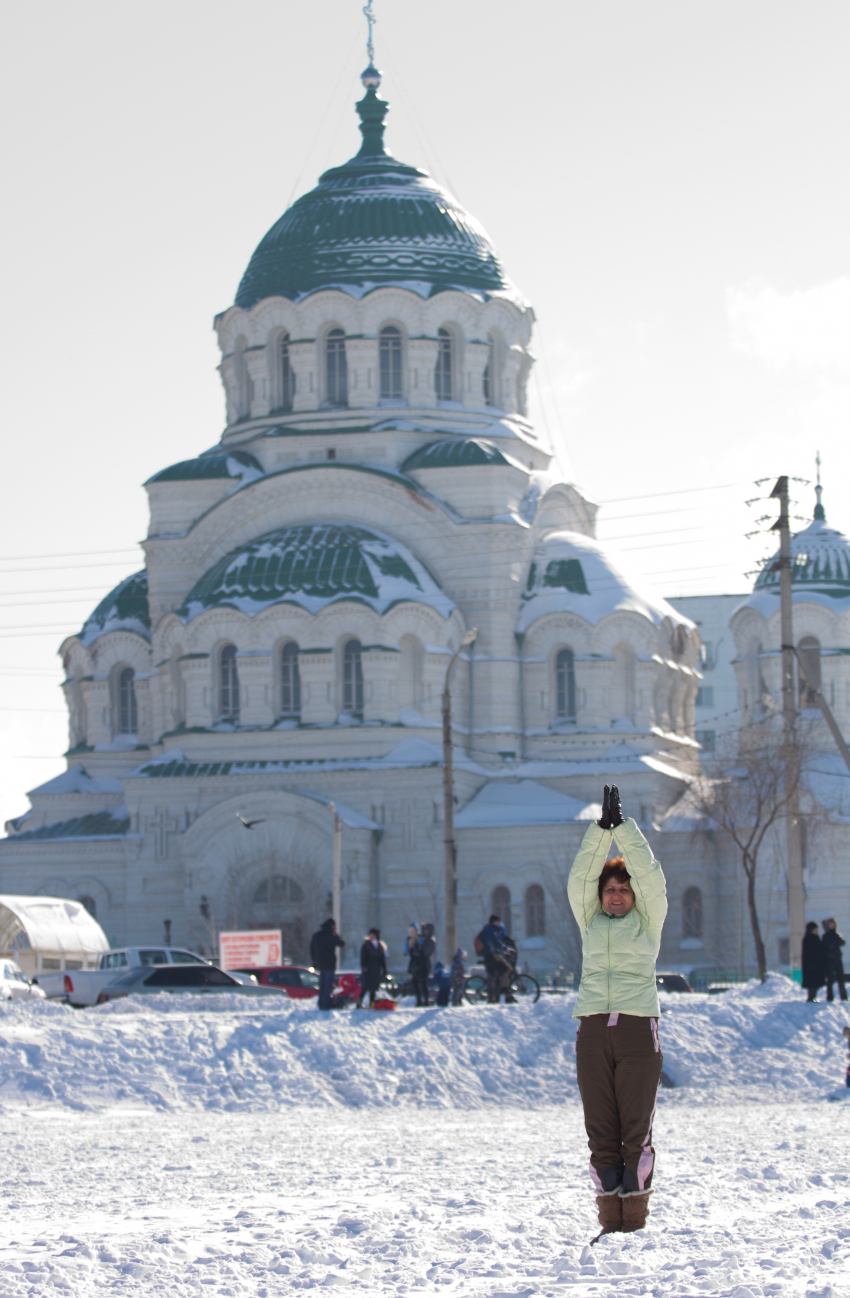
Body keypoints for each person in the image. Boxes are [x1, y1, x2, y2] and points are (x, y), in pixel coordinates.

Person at [569, 784, 667, 1241]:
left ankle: (636, 1222)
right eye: (609, 889)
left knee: (635, 1132)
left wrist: (623, 831)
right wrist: (598, 831)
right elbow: (578, 879)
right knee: (600, 1132)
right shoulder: (589, 922)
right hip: (591, 1030)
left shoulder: (647, 924)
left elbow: (650, 878)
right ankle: (611, 1222)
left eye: (623, 890)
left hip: (635, 1029)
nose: (615, 895)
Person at [476, 914, 514, 1003]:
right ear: (495, 922)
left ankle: (492, 999)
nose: (499, 924)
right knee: (508, 969)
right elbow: (496, 942)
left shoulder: (488, 929)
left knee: (493, 977)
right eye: (498, 922)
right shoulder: (491, 930)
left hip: (488, 955)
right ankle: (504, 988)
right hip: (492, 955)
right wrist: (506, 949)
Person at [310, 918, 345, 1011]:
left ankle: (321, 1003)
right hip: (329, 964)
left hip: (320, 964)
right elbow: (342, 943)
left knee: (322, 985)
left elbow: (312, 950)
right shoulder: (332, 935)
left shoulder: (317, 935)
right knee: (328, 985)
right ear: (332, 926)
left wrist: (314, 962)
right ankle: (325, 1005)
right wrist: (336, 933)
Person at [356, 927, 387, 1009]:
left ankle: (372, 1004)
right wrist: (364, 967)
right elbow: (363, 958)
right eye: (370, 934)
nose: (371, 936)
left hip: (376, 969)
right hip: (368, 969)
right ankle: (359, 1003)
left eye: (373, 934)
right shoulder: (366, 945)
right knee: (365, 987)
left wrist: (384, 969)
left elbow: (382, 958)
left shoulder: (380, 945)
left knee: (373, 988)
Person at [821, 918, 848, 1002]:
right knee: (830, 979)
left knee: (841, 978)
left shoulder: (836, 934)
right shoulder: (825, 936)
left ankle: (843, 996)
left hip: (837, 959)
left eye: (833, 924)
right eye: (830, 924)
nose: (832, 926)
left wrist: (836, 936)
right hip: (829, 960)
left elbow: (842, 942)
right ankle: (829, 996)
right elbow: (826, 946)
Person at [802, 921, 826, 1003]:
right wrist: (811, 963)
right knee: (812, 983)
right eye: (815, 929)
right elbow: (809, 953)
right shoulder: (808, 939)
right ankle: (811, 997)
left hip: (817, 965)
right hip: (812, 965)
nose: (816, 931)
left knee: (815, 983)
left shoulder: (815, 938)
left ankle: (813, 997)